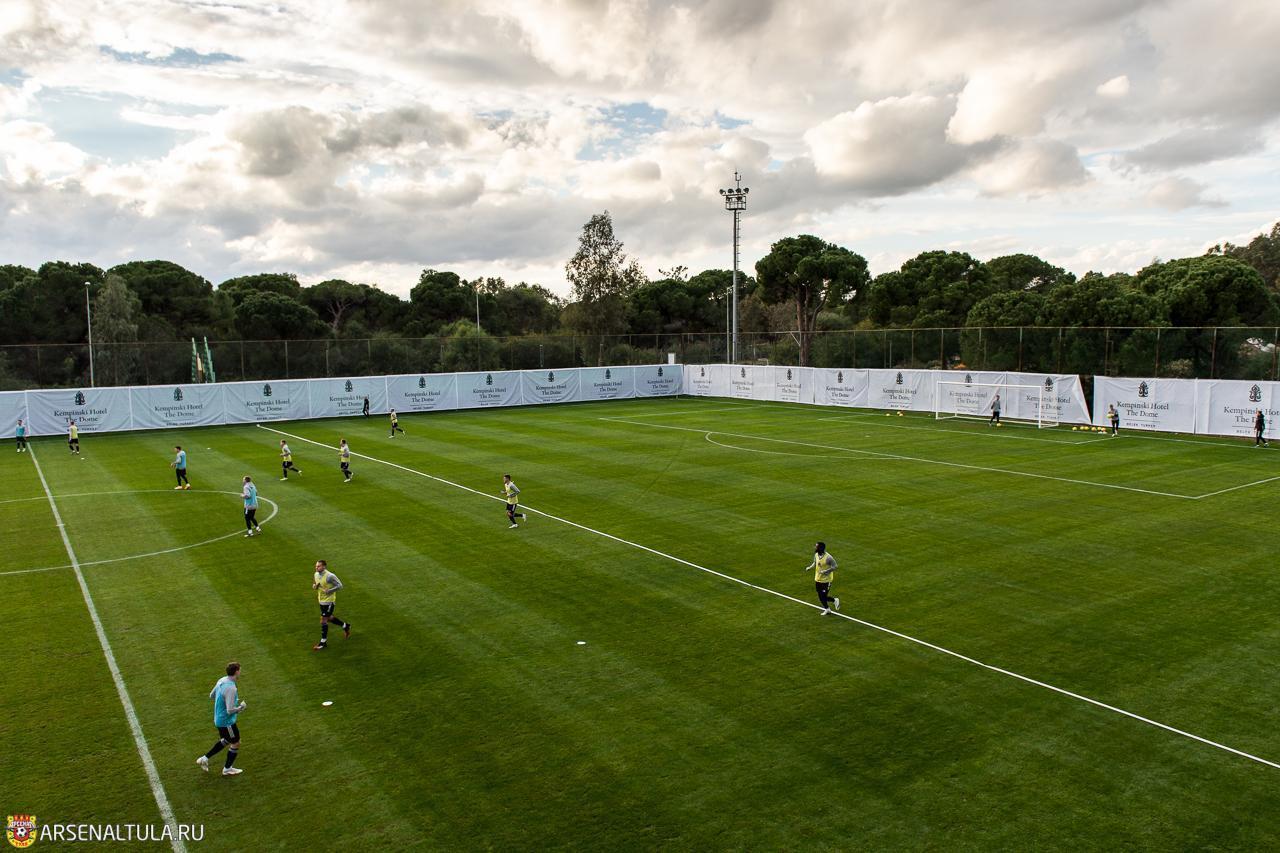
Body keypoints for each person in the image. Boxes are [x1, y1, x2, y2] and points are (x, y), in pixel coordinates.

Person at [196, 661, 246, 777]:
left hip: (218, 718)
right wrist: (241, 708)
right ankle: (227, 769)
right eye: (239, 670)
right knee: (236, 743)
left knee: (227, 740)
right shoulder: (231, 688)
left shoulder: (222, 680)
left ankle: (204, 759)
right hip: (226, 722)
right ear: (236, 672)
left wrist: (223, 701)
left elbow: (211, 695)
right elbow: (230, 710)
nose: (240, 672)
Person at [312, 560, 351, 650]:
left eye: (318, 566)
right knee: (329, 618)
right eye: (316, 566)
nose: (316, 567)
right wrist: (315, 586)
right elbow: (314, 584)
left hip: (329, 601)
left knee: (323, 620)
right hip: (321, 601)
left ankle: (323, 643)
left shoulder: (330, 576)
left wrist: (330, 591)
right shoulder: (316, 574)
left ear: (324, 566)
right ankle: (345, 626)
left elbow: (340, 585)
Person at [802, 541, 841, 615]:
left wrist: (826, 571)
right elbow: (815, 562)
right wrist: (810, 567)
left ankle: (835, 600)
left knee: (823, 596)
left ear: (820, 548)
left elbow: (835, 566)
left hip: (826, 580)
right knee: (820, 596)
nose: (815, 547)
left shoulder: (828, 557)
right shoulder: (816, 554)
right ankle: (827, 609)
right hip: (818, 579)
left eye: (816, 546)